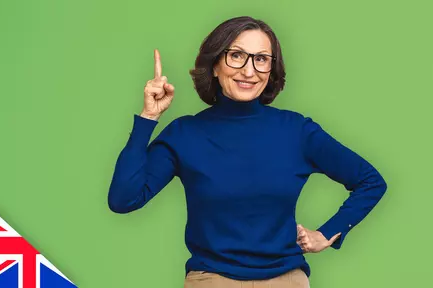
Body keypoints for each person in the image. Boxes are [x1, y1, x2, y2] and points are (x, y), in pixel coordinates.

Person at [108, 16, 387, 288]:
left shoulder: (296, 131)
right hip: (211, 280)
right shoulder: (184, 134)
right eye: (237, 56)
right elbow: (124, 199)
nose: (249, 71)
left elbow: (370, 181)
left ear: (271, 70)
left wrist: (327, 233)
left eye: (261, 59)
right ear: (215, 65)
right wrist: (148, 117)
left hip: (286, 280)